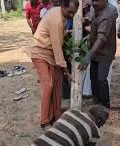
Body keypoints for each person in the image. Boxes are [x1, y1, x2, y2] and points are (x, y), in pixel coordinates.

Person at [31, 0, 79, 129]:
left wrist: (67, 33)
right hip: (40, 52)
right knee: (48, 84)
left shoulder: (60, 13)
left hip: (50, 53)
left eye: (74, 13)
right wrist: (67, 72)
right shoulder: (56, 20)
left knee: (57, 81)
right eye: (70, 12)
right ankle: (44, 120)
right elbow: (58, 49)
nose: (72, 15)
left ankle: (56, 115)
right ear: (63, 6)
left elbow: (58, 38)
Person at [79, 0, 118, 109]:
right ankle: (96, 100)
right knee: (93, 77)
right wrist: (87, 21)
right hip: (95, 51)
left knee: (101, 78)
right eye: (93, 0)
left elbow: (100, 39)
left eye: (97, 1)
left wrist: (87, 57)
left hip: (105, 52)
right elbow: (94, 25)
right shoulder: (96, 8)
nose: (94, 3)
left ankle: (105, 105)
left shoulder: (107, 15)